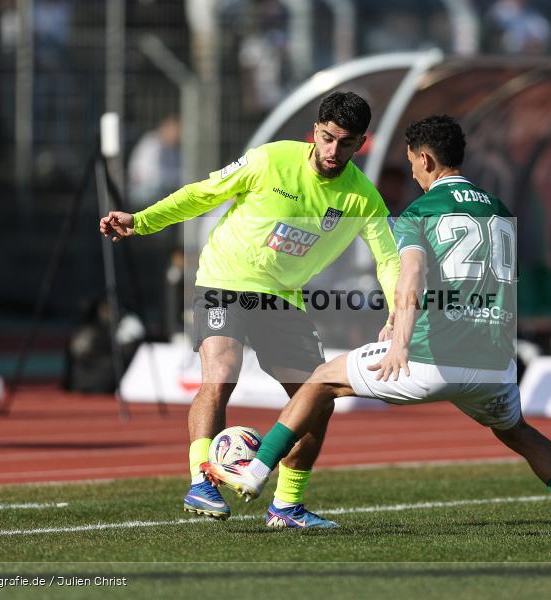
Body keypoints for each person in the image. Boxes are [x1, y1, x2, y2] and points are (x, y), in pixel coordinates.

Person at [203, 115, 551, 538]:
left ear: (426, 159)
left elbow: (410, 277)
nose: (412, 171)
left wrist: (400, 341)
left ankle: (254, 472)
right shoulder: (500, 211)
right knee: (521, 433)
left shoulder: (421, 210)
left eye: (413, 162)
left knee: (321, 380)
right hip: (494, 363)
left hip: (433, 357)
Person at [99, 91, 400, 527]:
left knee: (316, 401)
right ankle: (203, 480)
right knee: (221, 375)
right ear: (315, 130)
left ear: (361, 144)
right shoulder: (269, 160)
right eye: (328, 138)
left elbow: (388, 259)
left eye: (346, 143)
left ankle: (286, 507)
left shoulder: (363, 199)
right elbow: (203, 193)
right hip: (226, 276)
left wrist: (396, 313)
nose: (334, 151)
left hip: (284, 296)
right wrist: (142, 221)